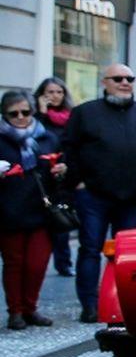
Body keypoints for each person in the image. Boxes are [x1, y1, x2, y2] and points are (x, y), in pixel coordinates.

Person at [61, 64, 136, 323]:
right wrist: (78, 182)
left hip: (133, 196)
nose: (125, 82)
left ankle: (123, 301)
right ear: (105, 82)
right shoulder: (84, 113)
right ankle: (89, 304)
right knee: (90, 249)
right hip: (93, 195)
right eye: (118, 78)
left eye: (130, 78)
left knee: (127, 253)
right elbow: (68, 149)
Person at [1, 91, 66, 329]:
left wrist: (61, 170)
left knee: (37, 265)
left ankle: (31, 308)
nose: (21, 117)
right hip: (9, 211)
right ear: (4, 115)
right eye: (14, 114)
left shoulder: (47, 137)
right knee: (14, 264)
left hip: (42, 210)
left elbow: (61, 164)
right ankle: (16, 311)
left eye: (25, 112)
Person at [33, 77, 74, 277]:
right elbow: (34, 137)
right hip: (40, 176)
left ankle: (64, 263)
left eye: (59, 92)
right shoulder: (34, 117)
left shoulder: (70, 117)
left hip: (62, 175)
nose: (55, 96)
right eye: (50, 92)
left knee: (61, 219)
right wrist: (41, 112)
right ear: (42, 94)